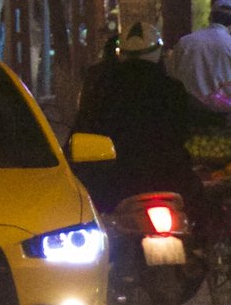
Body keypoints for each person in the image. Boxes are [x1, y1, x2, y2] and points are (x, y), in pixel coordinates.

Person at [71, 23, 200, 209]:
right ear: (158, 53)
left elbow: (84, 128)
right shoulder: (172, 88)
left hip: (112, 182)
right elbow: (183, 132)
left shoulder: (102, 87)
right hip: (165, 177)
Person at [167, 0, 231, 123]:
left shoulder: (185, 42)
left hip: (186, 115)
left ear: (210, 17)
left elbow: (171, 76)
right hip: (223, 118)